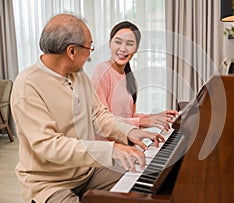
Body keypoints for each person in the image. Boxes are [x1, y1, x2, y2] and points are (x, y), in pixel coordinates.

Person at [10, 14, 165, 203]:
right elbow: (49, 145)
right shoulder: (27, 85)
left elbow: (99, 114)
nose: (91, 54)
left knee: (144, 177)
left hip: (88, 171)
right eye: (89, 47)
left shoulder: (79, 76)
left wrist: (131, 132)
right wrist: (111, 149)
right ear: (71, 51)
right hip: (50, 183)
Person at [91, 21, 178, 131]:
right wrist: (142, 121)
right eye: (118, 42)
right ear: (109, 44)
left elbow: (128, 118)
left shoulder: (129, 78)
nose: (123, 49)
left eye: (129, 44)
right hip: (110, 146)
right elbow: (100, 120)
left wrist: (154, 117)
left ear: (136, 48)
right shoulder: (101, 71)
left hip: (127, 142)